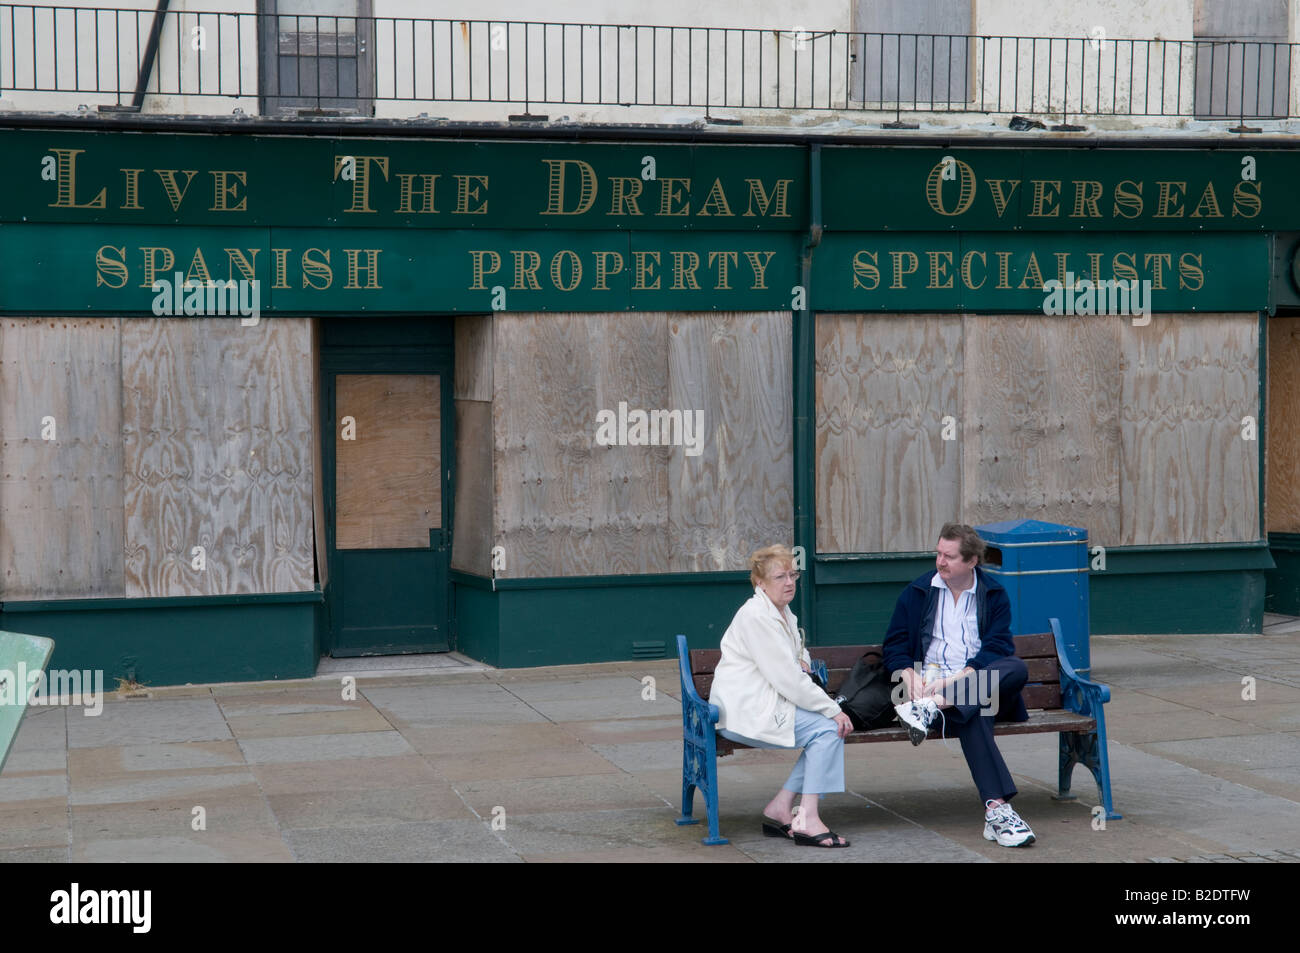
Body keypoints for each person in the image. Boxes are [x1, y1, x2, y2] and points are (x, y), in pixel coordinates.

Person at [882, 523, 1036, 847]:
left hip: (964, 687)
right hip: (936, 690)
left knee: (1015, 667)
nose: (940, 562)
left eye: (949, 557)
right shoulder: (918, 592)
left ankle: (933, 707)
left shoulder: (993, 594)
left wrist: (957, 681)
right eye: (938, 553)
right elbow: (894, 645)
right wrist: (908, 675)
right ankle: (997, 810)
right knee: (974, 711)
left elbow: (998, 648)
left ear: (971, 561)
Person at [710, 544, 855, 848]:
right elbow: (788, 680)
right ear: (760, 582)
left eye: (792, 575)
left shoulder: (779, 609)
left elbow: (796, 646)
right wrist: (832, 709)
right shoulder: (756, 617)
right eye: (780, 577)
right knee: (829, 728)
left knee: (827, 731)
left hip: (765, 701)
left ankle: (785, 805)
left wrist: (802, 657)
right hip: (744, 712)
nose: (789, 583)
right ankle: (807, 818)